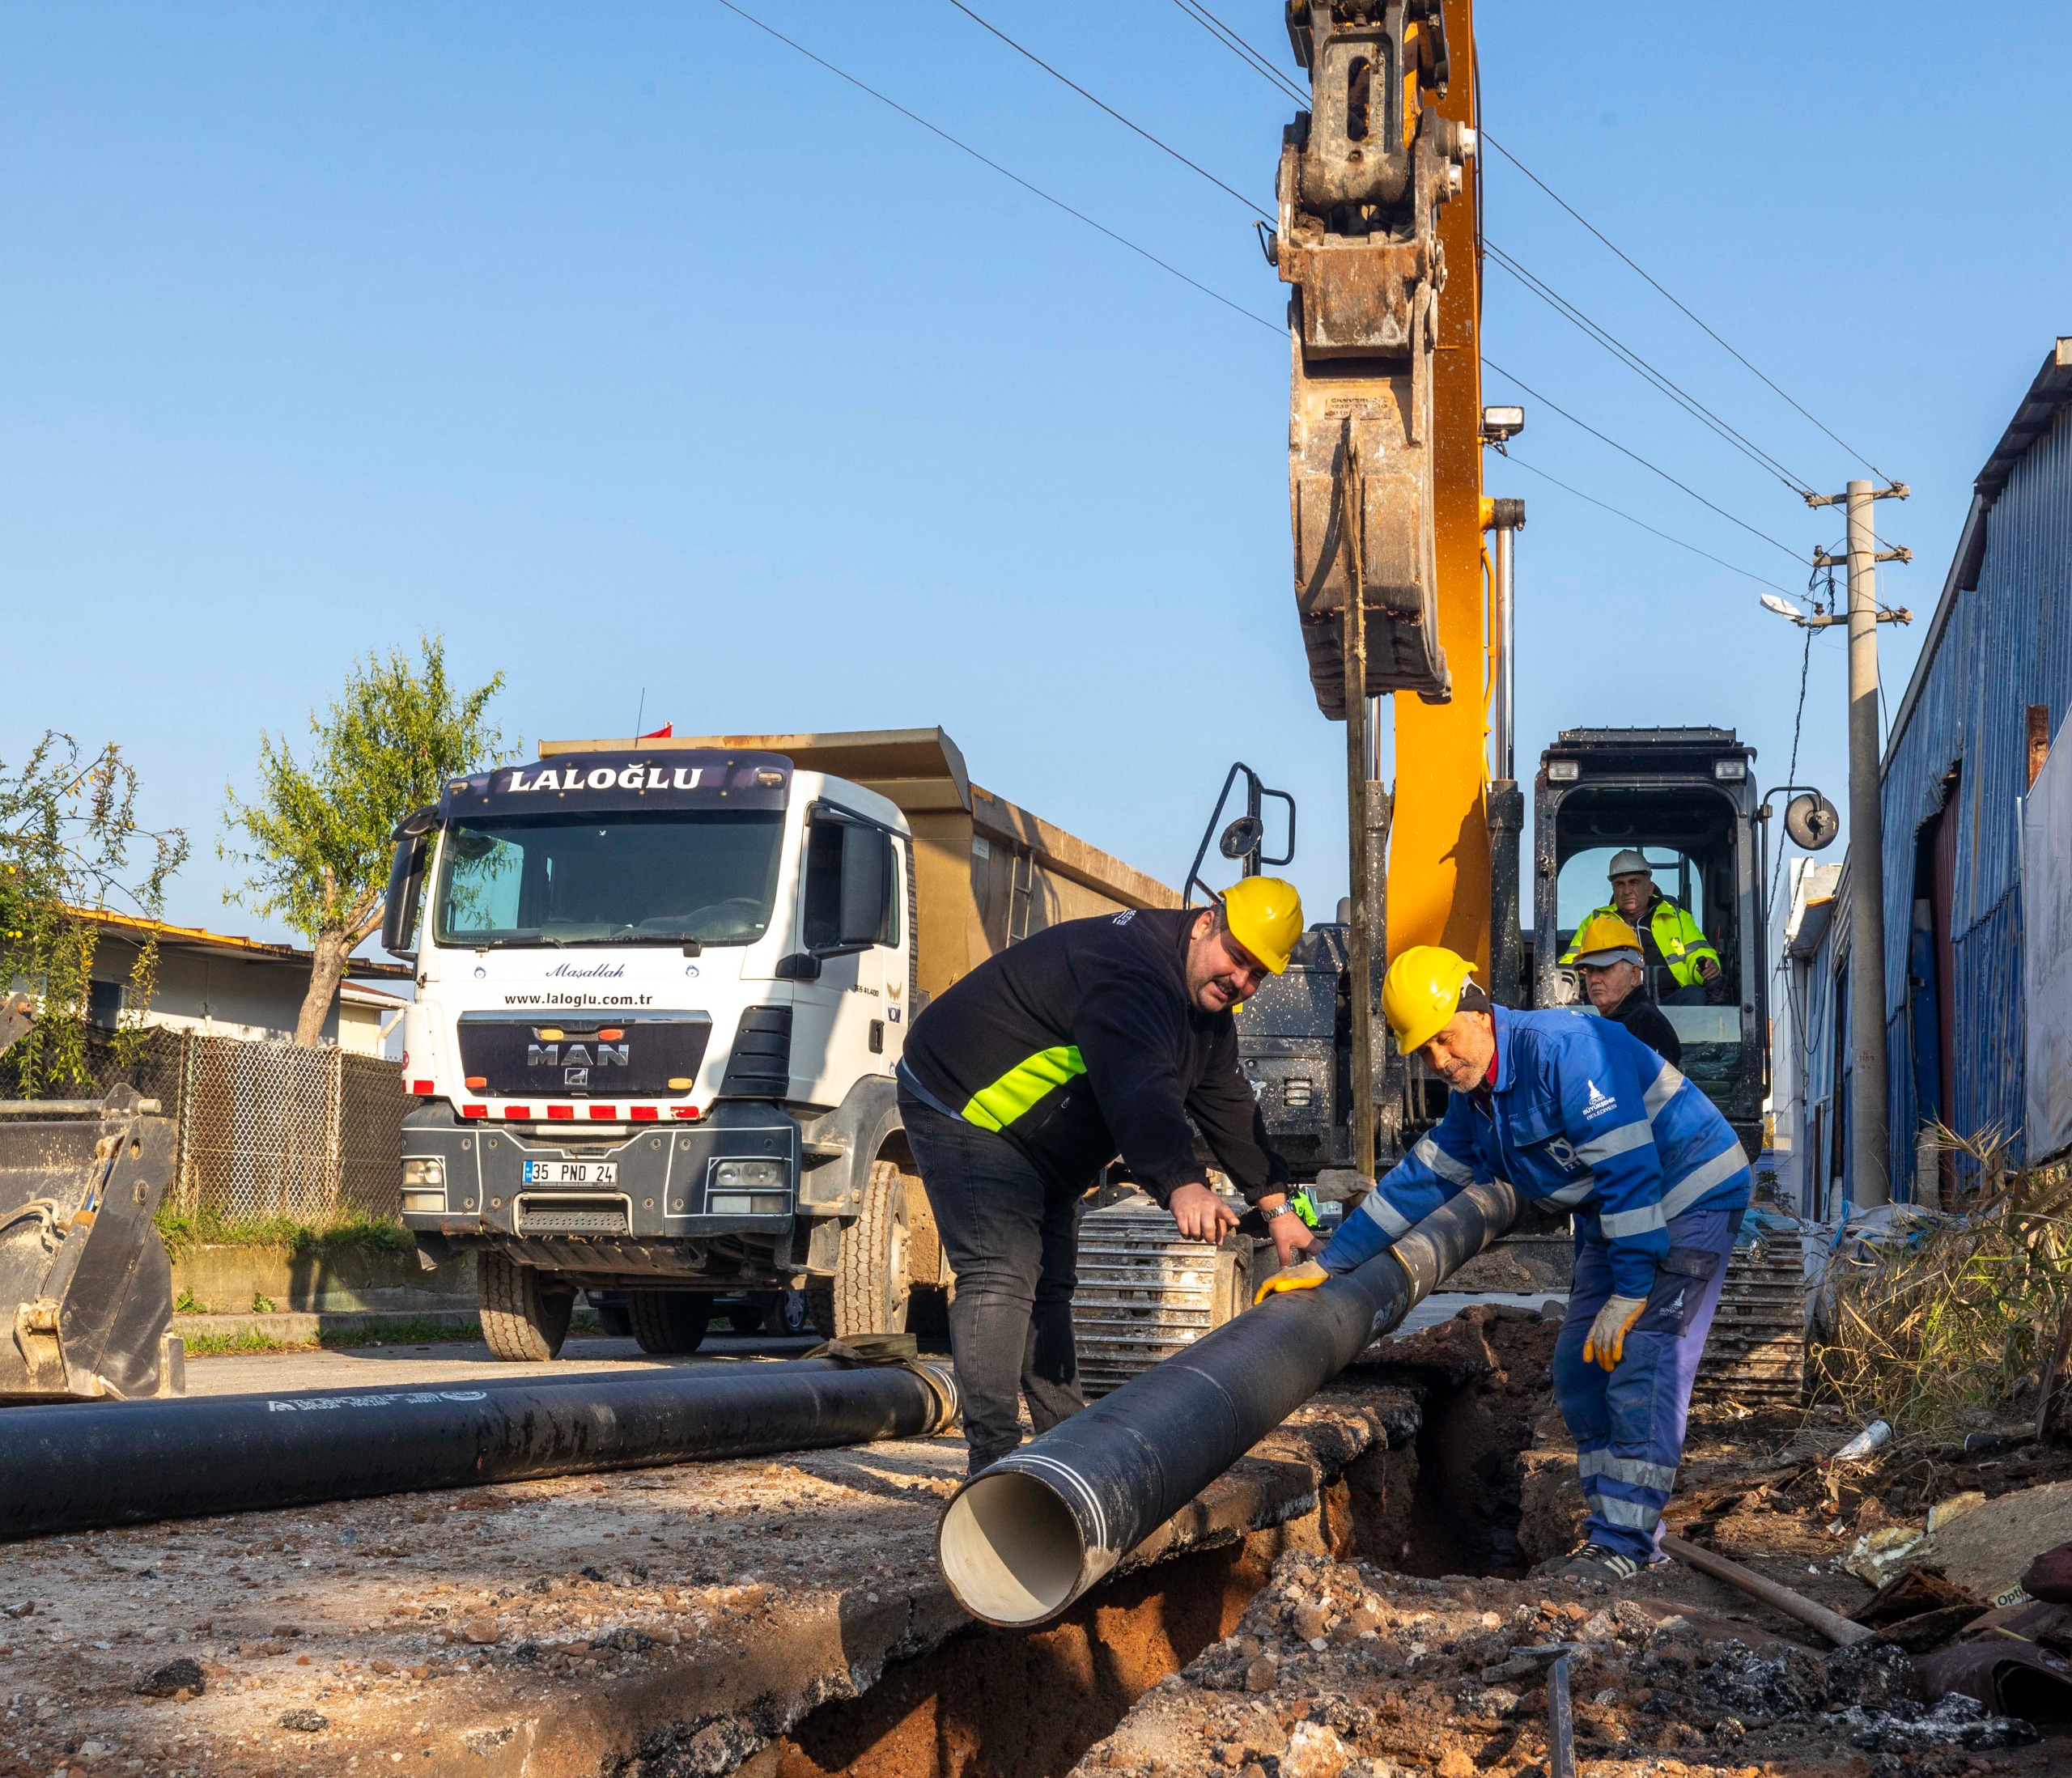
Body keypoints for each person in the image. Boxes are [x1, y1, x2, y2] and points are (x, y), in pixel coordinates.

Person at [1267, 944, 1750, 1583]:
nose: (1438, 1061)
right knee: (1580, 1370)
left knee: (1644, 1363)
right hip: (1619, 1215)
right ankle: (1626, 1533)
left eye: (1443, 1039)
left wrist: (1631, 1290)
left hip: (1686, 1194)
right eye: (1423, 1051)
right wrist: (1334, 1259)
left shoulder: (1565, 1051)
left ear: (1480, 1010)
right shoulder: (1479, 1102)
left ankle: (1623, 1546)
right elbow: (1420, 1181)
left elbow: (1632, 1171)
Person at [895, 877, 1317, 1475]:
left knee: (1051, 1284)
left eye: (1257, 974)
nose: (1241, 980)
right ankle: (992, 1461)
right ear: (1205, 922)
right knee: (1001, 1270)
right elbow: (1139, 1083)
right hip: (963, 1099)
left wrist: (1279, 1209)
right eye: (1238, 956)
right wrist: (1181, 1179)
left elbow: (1227, 1101)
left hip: (1040, 1139)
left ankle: (1066, 1447)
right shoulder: (1133, 972)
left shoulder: (1206, 1014)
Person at [1561, 850, 1722, 1005]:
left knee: (1694, 995)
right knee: (1596, 998)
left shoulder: (1679, 918)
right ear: (1613, 889)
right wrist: (1582, 970)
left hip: (1671, 1002)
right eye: (1620, 884)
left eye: (1634, 882)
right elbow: (1570, 962)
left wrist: (1707, 967)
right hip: (1617, 1005)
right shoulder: (1596, 920)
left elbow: (1699, 953)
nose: (1627, 891)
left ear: (1650, 888)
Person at [1568, 913, 1681, 1067]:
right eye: (1590, 971)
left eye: (1605, 968)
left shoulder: (1646, 1023)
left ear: (1634, 975)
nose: (1594, 979)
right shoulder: (1624, 1021)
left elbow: (1657, 1088)